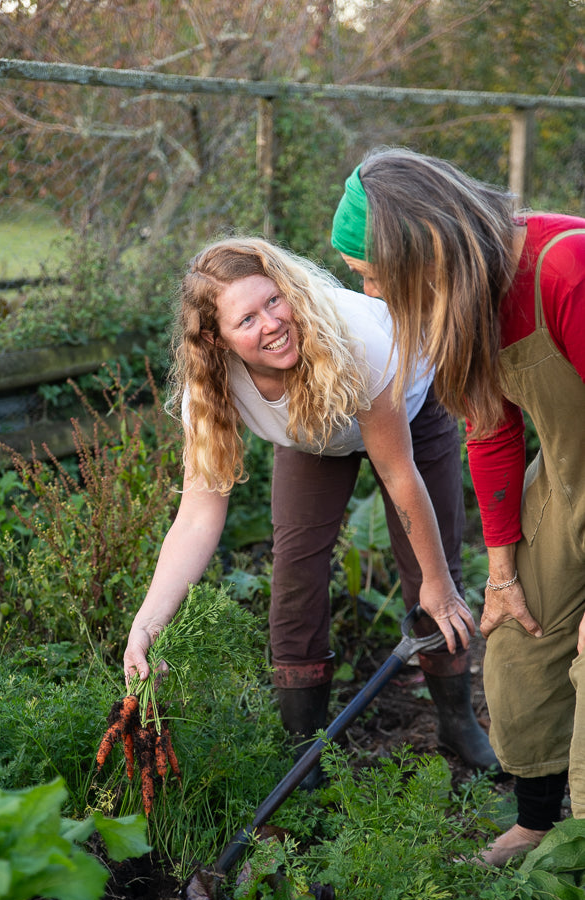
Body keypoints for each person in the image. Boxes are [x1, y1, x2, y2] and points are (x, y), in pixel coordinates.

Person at [331, 147, 585, 900]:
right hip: (572, 479)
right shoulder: (463, 301)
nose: (370, 295)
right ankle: (540, 822)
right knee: (517, 639)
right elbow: (491, 428)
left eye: (373, 276)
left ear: (422, 251)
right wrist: (504, 571)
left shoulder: (563, 266)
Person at [124, 235, 499, 791]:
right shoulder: (211, 389)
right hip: (311, 434)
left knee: (430, 572)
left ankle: (456, 720)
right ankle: (305, 751)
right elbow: (200, 514)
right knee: (295, 571)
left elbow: (399, 475)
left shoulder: (357, 339)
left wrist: (439, 585)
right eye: (245, 319)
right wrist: (147, 621)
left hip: (409, 411)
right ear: (216, 339)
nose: (271, 323)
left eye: (274, 301)